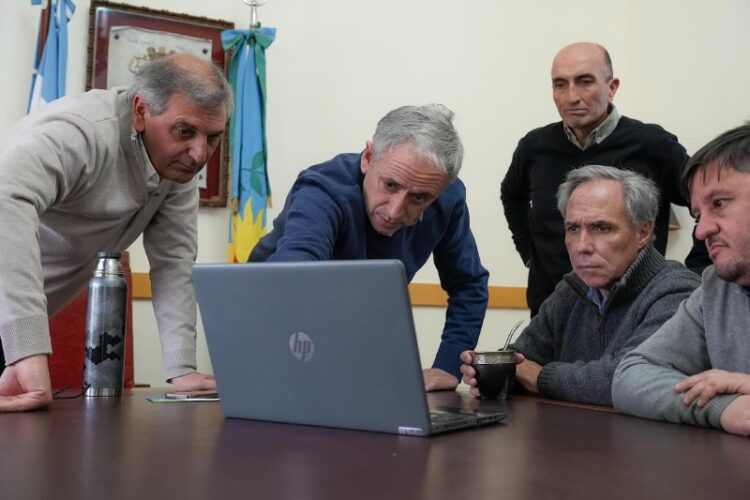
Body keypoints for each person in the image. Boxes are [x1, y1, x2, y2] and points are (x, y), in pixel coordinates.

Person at [0, 54, 229, 412]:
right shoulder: (82, 131)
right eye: (185, 131)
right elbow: (5, 198)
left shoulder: (176, 167)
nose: (200, 155)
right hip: (12, 329)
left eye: (213, 138)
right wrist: (26, 348)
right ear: (141, 112)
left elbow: (173, 263)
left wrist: (181, 368)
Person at [250, 104, 489, 392]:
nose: (395, 211)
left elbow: (469, 284)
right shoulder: (323, 189)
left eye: (420, 197)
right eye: (390, 185)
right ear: (367, 158)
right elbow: (293, 272)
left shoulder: (448, 199)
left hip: (359, 324)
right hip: (275, 314)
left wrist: (448, 366)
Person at [500, 41, 707, 317]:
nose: (571, 96)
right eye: (560, 84)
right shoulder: (534, 146)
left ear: (612, 87)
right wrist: (530, 254)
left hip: (634, 310)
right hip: (551, 308)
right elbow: (511, 195)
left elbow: (707, 203)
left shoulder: (652, 143)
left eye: (584, 82)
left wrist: (697, 268)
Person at [462, 166, 699, 405]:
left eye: (602, 228)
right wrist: (494, 373)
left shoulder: (678, 291)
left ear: (643, 232)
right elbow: (523, 361)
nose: (582, 246)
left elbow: (632, 378)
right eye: (573, 228)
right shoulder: (570, 289)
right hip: (568, 437)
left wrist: (542, 377)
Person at [613, 124, 750, 436]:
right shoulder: (715, 289)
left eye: (719, 203)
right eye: (698, 214)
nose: (701, 231)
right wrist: (722, 408)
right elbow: (631, 376)